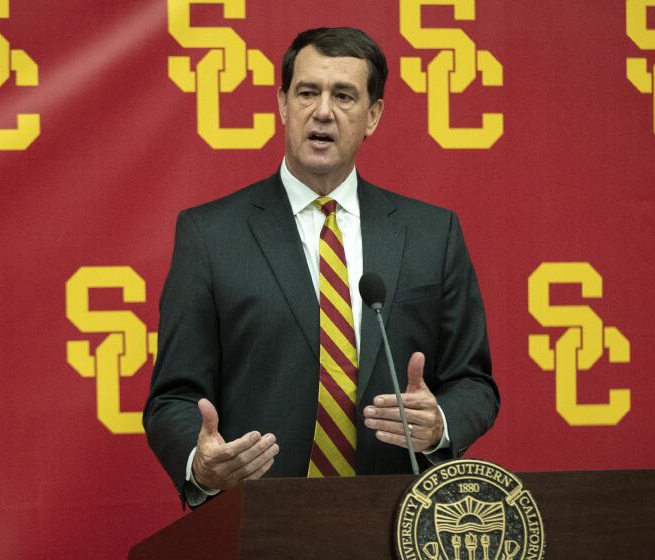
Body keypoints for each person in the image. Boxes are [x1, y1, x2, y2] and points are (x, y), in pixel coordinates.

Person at [143, 27, 499, 508]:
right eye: (307, 92)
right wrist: (200, 463)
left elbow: (473, 383)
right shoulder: (211, 236)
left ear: (373, 115)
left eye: (345, 96)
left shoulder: (432, 235)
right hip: (259, 519)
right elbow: (174, 396)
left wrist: (440, 425)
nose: (323, 111)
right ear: (283, 105)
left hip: (395, 517)